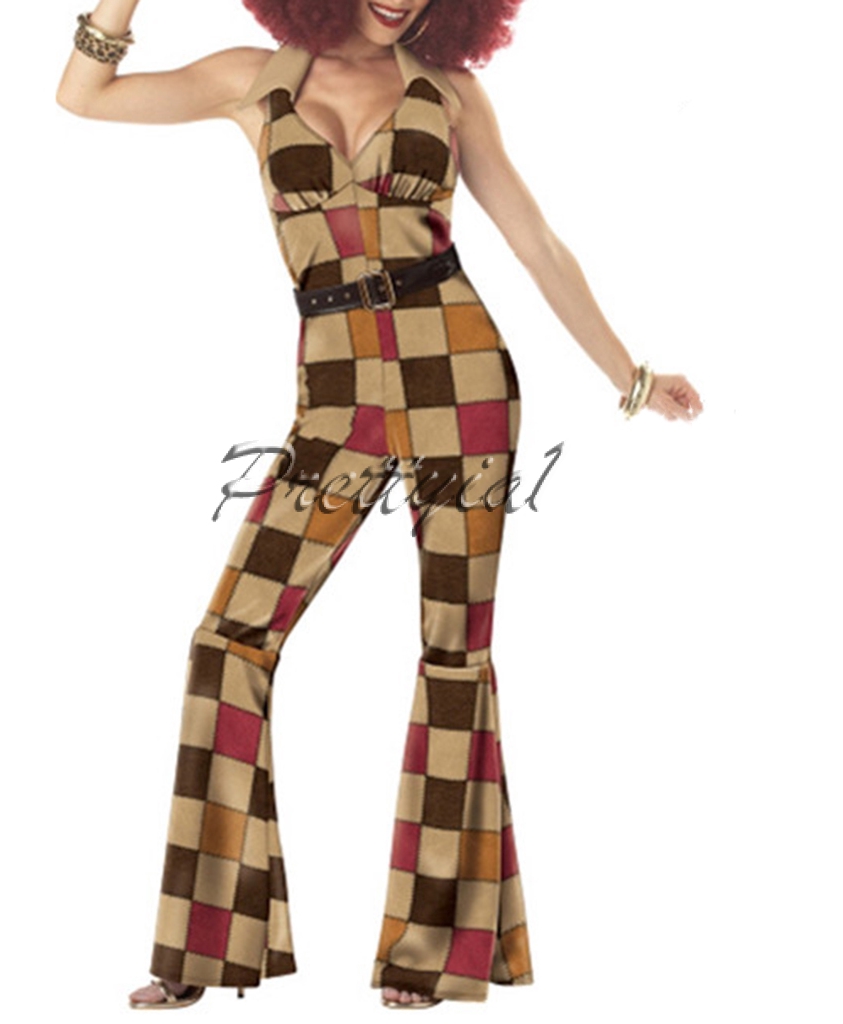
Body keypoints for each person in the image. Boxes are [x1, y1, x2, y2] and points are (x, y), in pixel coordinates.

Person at [57, 0, 703, 1010]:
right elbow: (83, 97)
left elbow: (535, 241)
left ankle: (431, 952)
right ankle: (208, 947)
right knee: (227, 641)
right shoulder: (251, 78)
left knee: (454, 648)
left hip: (461, 375)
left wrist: (631, 377)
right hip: (335, 397)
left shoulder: (451, 94)